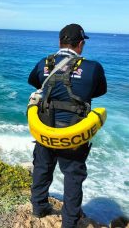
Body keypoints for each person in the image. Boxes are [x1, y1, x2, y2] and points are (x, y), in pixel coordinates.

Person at [28, 24, 107, 228]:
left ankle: (38, 207)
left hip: (45, 128)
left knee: (42, 167)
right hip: (74, 134)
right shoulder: (93, 67)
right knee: (72, 176)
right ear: (80, 44)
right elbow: (100, 91)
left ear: (59, 42)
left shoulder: (44, 63)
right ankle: (69, 222)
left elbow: (34, 82)